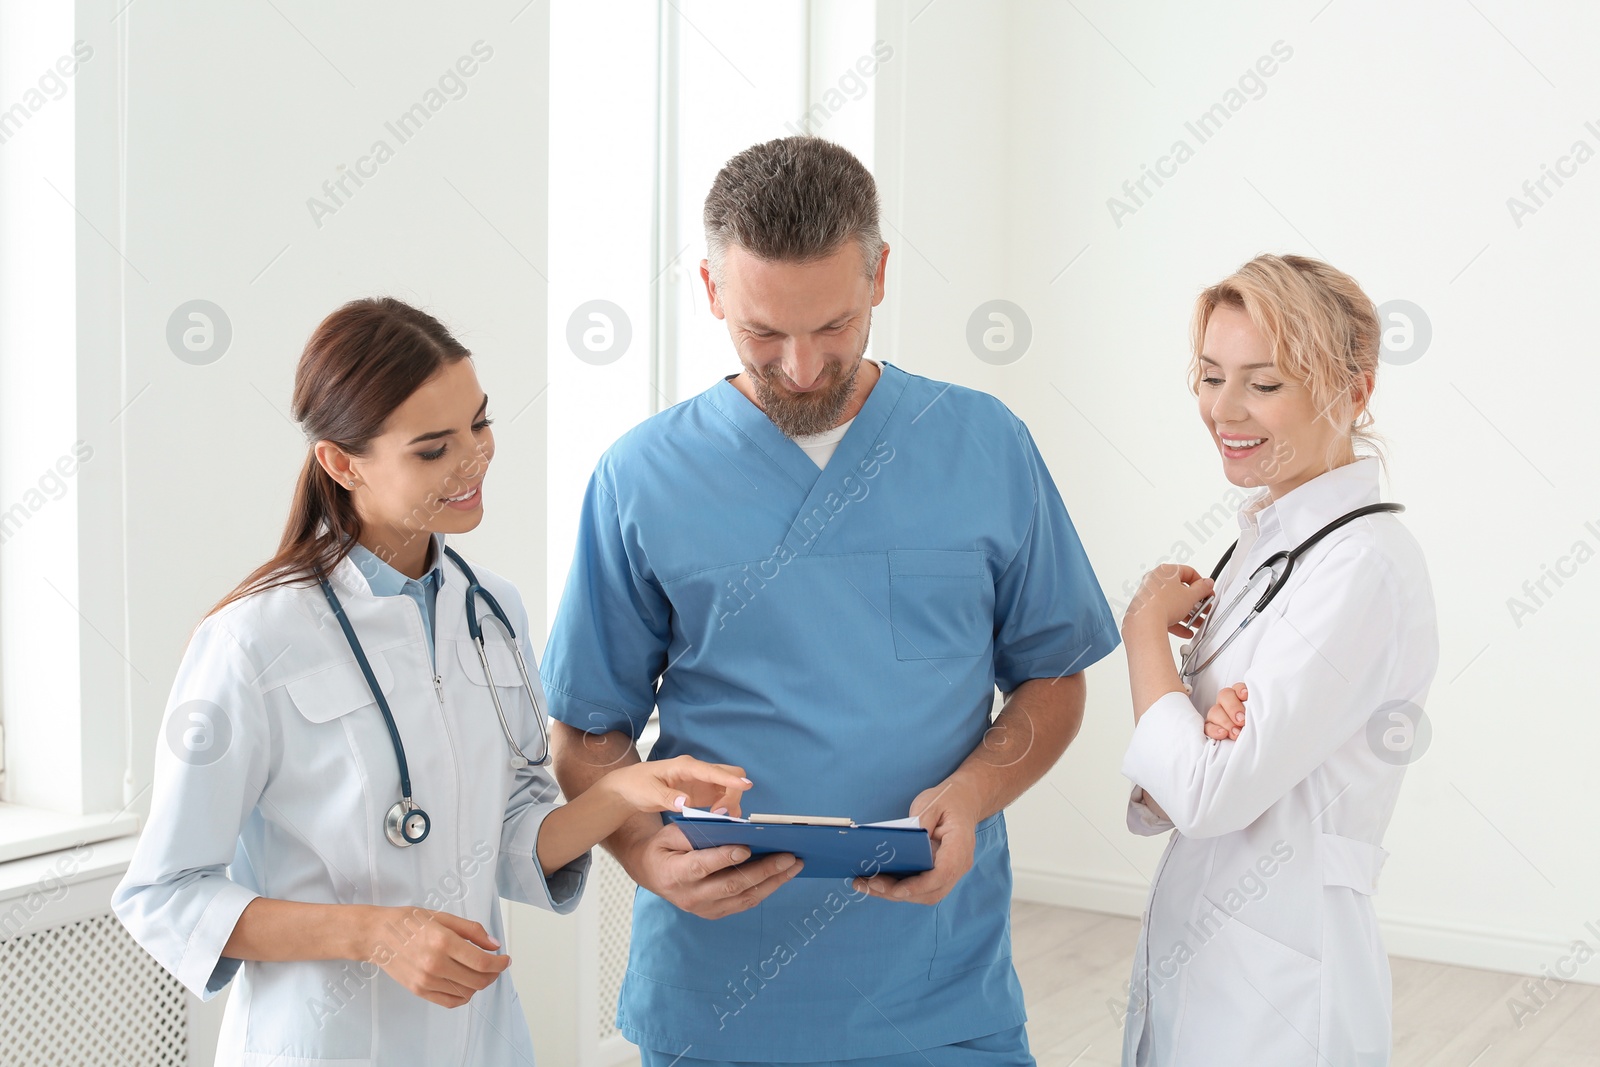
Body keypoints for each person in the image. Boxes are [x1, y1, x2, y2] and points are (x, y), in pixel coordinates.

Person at [541, 136, 1120, 1066]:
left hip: (940, 996)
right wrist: (642, 852)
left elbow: (1053, 677)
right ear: (710, 289)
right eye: (763, 333)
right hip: (714, 998)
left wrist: (973, 793)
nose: (803, 367)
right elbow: (585, 730)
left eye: (835, 327)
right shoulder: (641, 477)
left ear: (882, 274)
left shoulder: (984, 444)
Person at [113, 297, 751, 1066]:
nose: (473, 461)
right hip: (323, 1044)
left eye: (480, 425)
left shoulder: (493, 612)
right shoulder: (254, 641)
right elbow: (165, 893)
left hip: (480, 1041)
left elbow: (514, 839)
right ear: (341, 463)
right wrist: (377, 932)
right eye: (432, 448)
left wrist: (623, 793)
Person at [1117, 255, 1439, 1065]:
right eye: (1210, 375)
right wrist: (1198, 725)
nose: (1223, 409)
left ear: (1354, 390)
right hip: (1205, 956)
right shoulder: (1265, 545)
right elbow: (1175, 782)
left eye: (1264, 384)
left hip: (1283, 994)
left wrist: (1143, 632)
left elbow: (1205, 790)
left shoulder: (1361, 564)